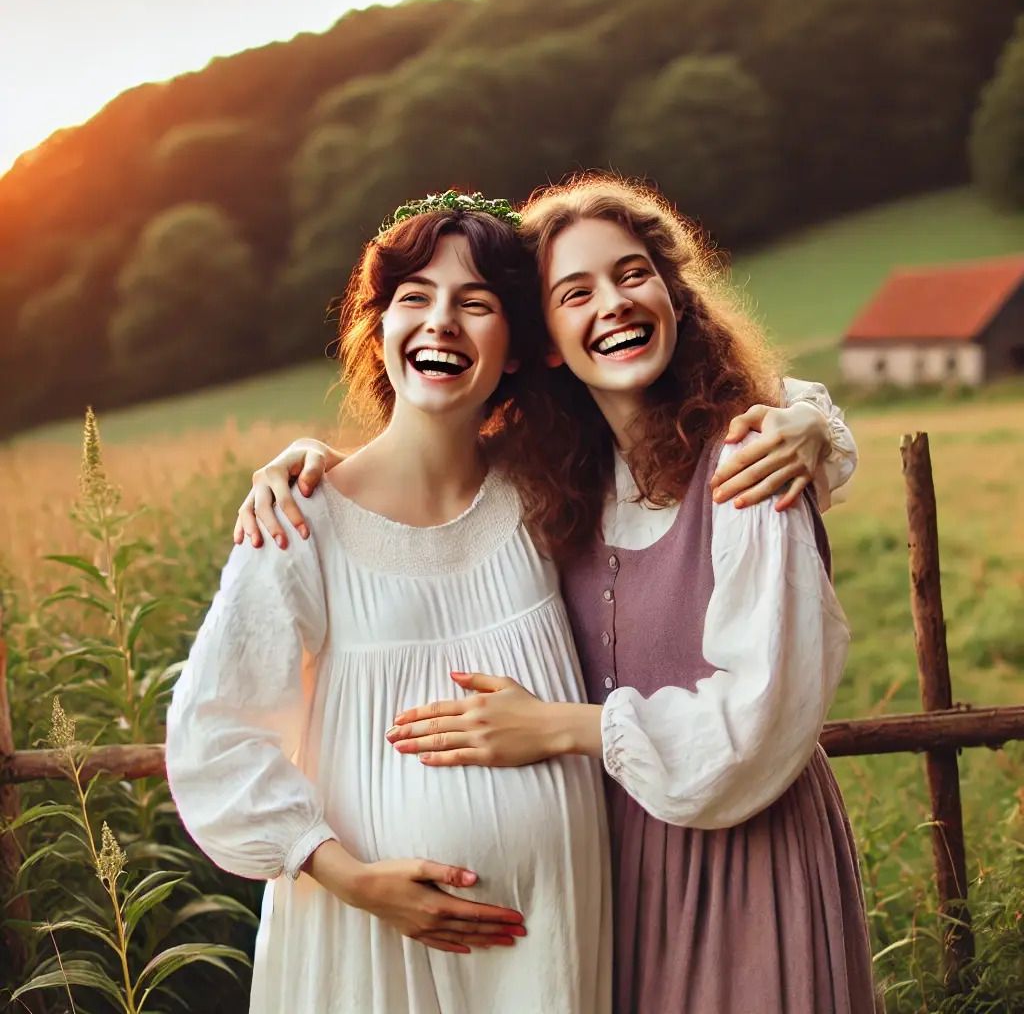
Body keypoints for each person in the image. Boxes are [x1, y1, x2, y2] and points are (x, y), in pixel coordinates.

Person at [241, 176, 874, 1012]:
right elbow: (423, 464)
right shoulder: (546, 482)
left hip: (748, 860)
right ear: (545, 343)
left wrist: (560, 728)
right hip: (615, 876)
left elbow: (758, 720)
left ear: (675, 295)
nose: (612, 303)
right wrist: (306, 459)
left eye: (633, 274)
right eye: (576, 292)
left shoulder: (749, 460)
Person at [165, 195, 612, 1014]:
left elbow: (692, 421)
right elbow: (214, 736)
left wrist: (803, 427)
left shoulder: (548, 490)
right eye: (415, 297)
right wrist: (356, 880)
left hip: (549, 942)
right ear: (380, 329)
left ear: (515, 349)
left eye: (475, 304)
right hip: (367, 947)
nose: (441, 321)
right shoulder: (302, 517)